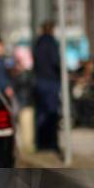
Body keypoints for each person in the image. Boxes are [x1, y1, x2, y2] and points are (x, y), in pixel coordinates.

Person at [33, 20, 62, 155]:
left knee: (41, 113)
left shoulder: (38, 43)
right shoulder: (52, 43)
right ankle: (52, 143)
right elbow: (56, 61)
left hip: (39, 81)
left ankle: (40, 143)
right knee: (52, 112)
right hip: (51, 81)